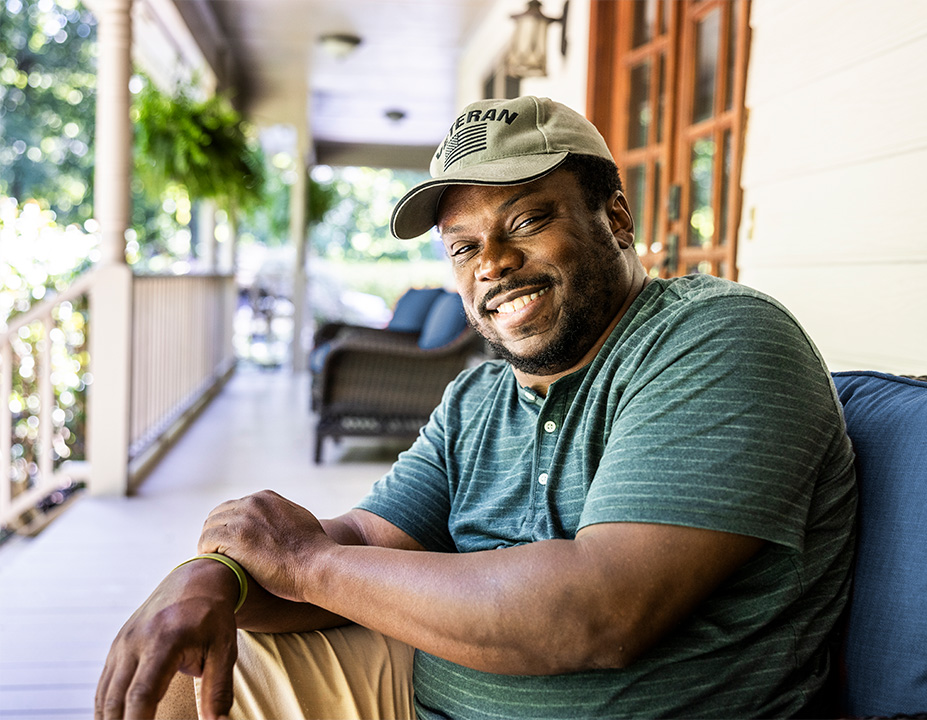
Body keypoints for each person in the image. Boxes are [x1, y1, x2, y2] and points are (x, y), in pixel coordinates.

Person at [95, 96, 857, 720]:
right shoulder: (479, 396)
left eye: (526, 222)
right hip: (421, 688)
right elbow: (365, 538)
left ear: (617, 220)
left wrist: (305, 562)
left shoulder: (719, 338)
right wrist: (212, 579)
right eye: (463, 247)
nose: (491, 263)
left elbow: (599, 612)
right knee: (178, 675)